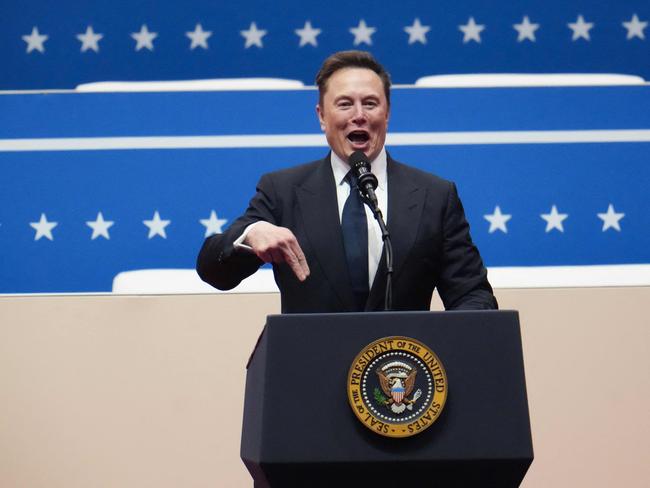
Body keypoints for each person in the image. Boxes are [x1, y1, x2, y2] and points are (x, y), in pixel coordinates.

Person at [197, 50, 497, 313]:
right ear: (322, 117)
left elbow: (472, 294)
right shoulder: (282, 190)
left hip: (401, 374)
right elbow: (215, 273)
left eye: (370, 103)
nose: (359, 115)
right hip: (312, 370)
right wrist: (249, 234)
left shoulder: (435, 195)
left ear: (387, 113)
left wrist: (454, 340)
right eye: (344, 104)